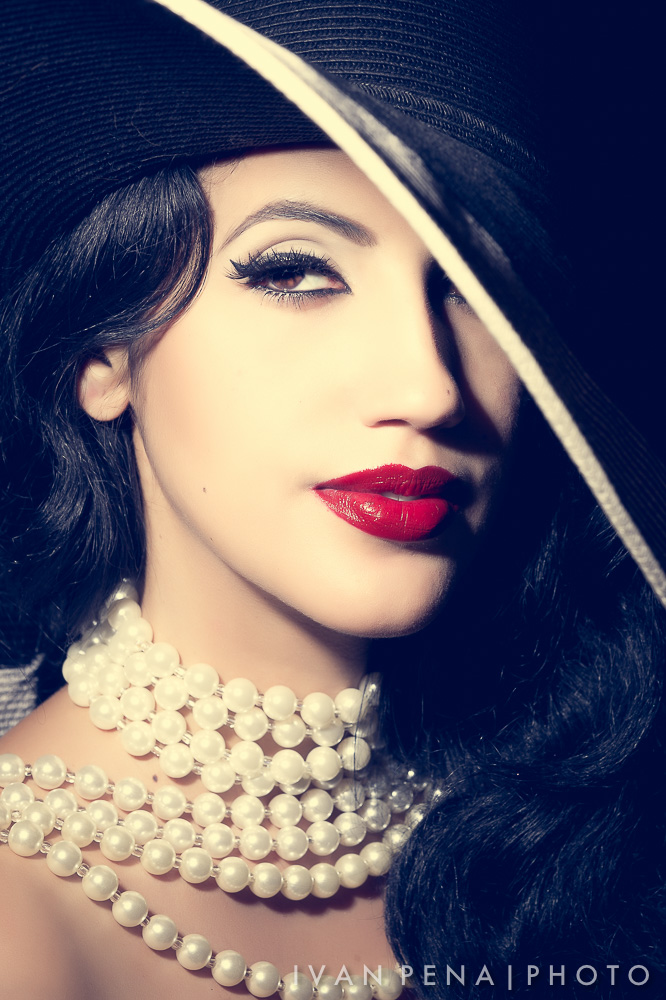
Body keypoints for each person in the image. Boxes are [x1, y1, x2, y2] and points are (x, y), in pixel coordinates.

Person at [0, 1, 664, 998]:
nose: (430, 388)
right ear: (106, 353)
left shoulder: (562, 811)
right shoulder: (21, 927)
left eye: (479, 292)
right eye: (298, 272)